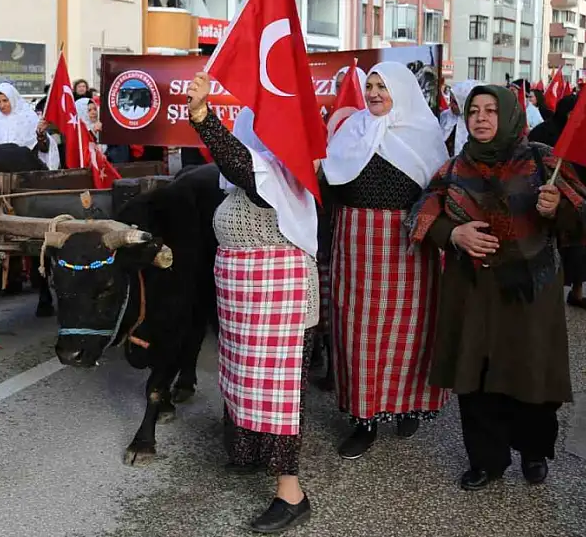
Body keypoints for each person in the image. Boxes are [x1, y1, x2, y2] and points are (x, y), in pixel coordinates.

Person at [406, 84, 586, 490]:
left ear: (509, 114)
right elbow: (418, 214)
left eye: (491, 110)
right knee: (476, 375)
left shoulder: (542, 160)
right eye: (474, 110)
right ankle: (486, 460)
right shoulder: (454, 168)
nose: (481, 118)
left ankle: (533, 452)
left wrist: (556, 208)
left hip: (532, 290)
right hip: (472, 289)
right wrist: (454, 235)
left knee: (531, 373)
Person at [188, 74, 317, 533]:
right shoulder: (247, 180)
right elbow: (239, 167)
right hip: (245, 291)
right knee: (243, 378)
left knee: (279, 394)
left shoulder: (281, 176)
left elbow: (243, 165)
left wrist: (203, 117)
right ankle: (246, 451)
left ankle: (292, 492)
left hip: (279, 293)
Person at [320, 61, 450, 460]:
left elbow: (441, 194)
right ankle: (365, 420)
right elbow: (329, 181)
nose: (374, 93)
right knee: (357, 332)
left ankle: (409, 403)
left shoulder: (425, 136)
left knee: (409, 333)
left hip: (408, 249)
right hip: (355, 244)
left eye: (383, 86)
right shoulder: (351, 130)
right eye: (371, 86)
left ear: (403, 91)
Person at [528, 94, 586, 311]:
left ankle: (577, 293)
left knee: (581, 247)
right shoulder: (543, 132)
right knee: (551, 248)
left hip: (580, 198)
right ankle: (547, 294)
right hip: (549, 197)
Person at [0, 83, 59, 170]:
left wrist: (40, 134)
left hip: (26, 171)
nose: (2, 105)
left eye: (5, 100)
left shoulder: (28, 118)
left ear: (13, 99)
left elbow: (43, 149)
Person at [439, 80, 480, 156]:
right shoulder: (446, 116)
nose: (450, 104)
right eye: (450, 99)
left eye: (455, 102)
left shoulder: (477, 122)